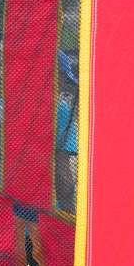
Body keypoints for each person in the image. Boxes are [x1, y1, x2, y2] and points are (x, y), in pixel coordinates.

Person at [54, 50, 79, 214]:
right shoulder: (60, 109)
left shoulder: (3, 105)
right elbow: (62, 171)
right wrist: (71, 215)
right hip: (43, 214)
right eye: (63, 77)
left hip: (4, 205)